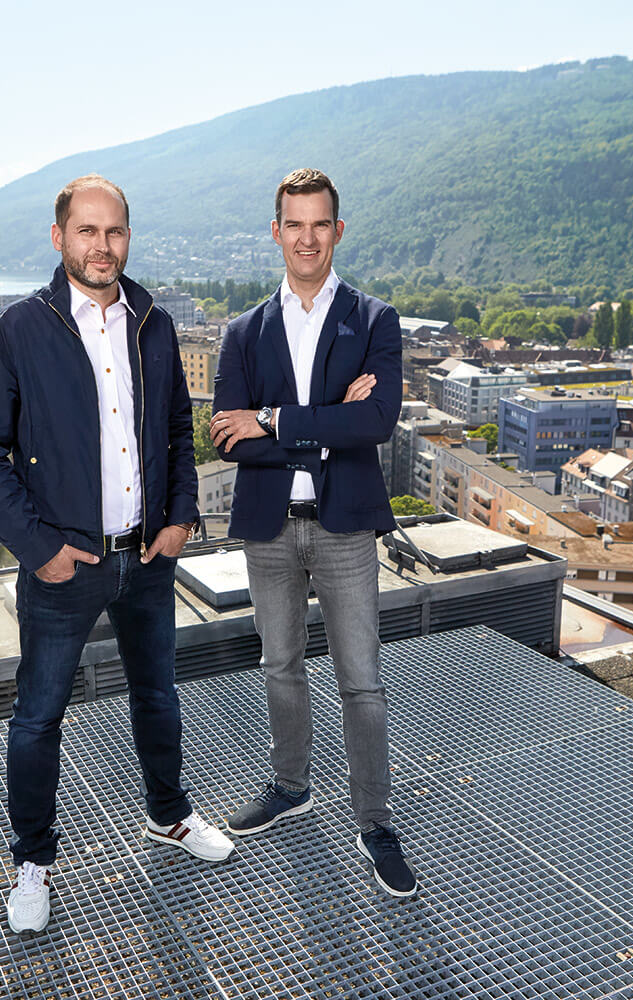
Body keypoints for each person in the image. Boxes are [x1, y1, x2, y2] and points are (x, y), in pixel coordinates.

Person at [0, 174, 233, 935]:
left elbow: (179, 428)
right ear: (59, 238)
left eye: (114, 232)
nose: (101, 245)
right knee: (38, 718)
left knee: (159, 697)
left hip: (146, 558)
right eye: (87, 231)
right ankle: (34, 865)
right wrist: (39, 548)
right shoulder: (16, 329)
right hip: (64, 565)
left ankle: (168, 816)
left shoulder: (155, 322)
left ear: (128, 238)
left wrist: (180, 519)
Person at [209, 168, 416, 897]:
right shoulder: (242, 333)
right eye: (293, 224)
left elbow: (377, 423)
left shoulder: (376, 320)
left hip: (345, 530)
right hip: (270, 529)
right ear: (276, 231)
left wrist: (274, 419)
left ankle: (375, 821)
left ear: (338, 230)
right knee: (280, 669)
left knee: (362, 682)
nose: (306, 238)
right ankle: (291, 786)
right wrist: (329, 422)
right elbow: (226, 441)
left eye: (319, 224)